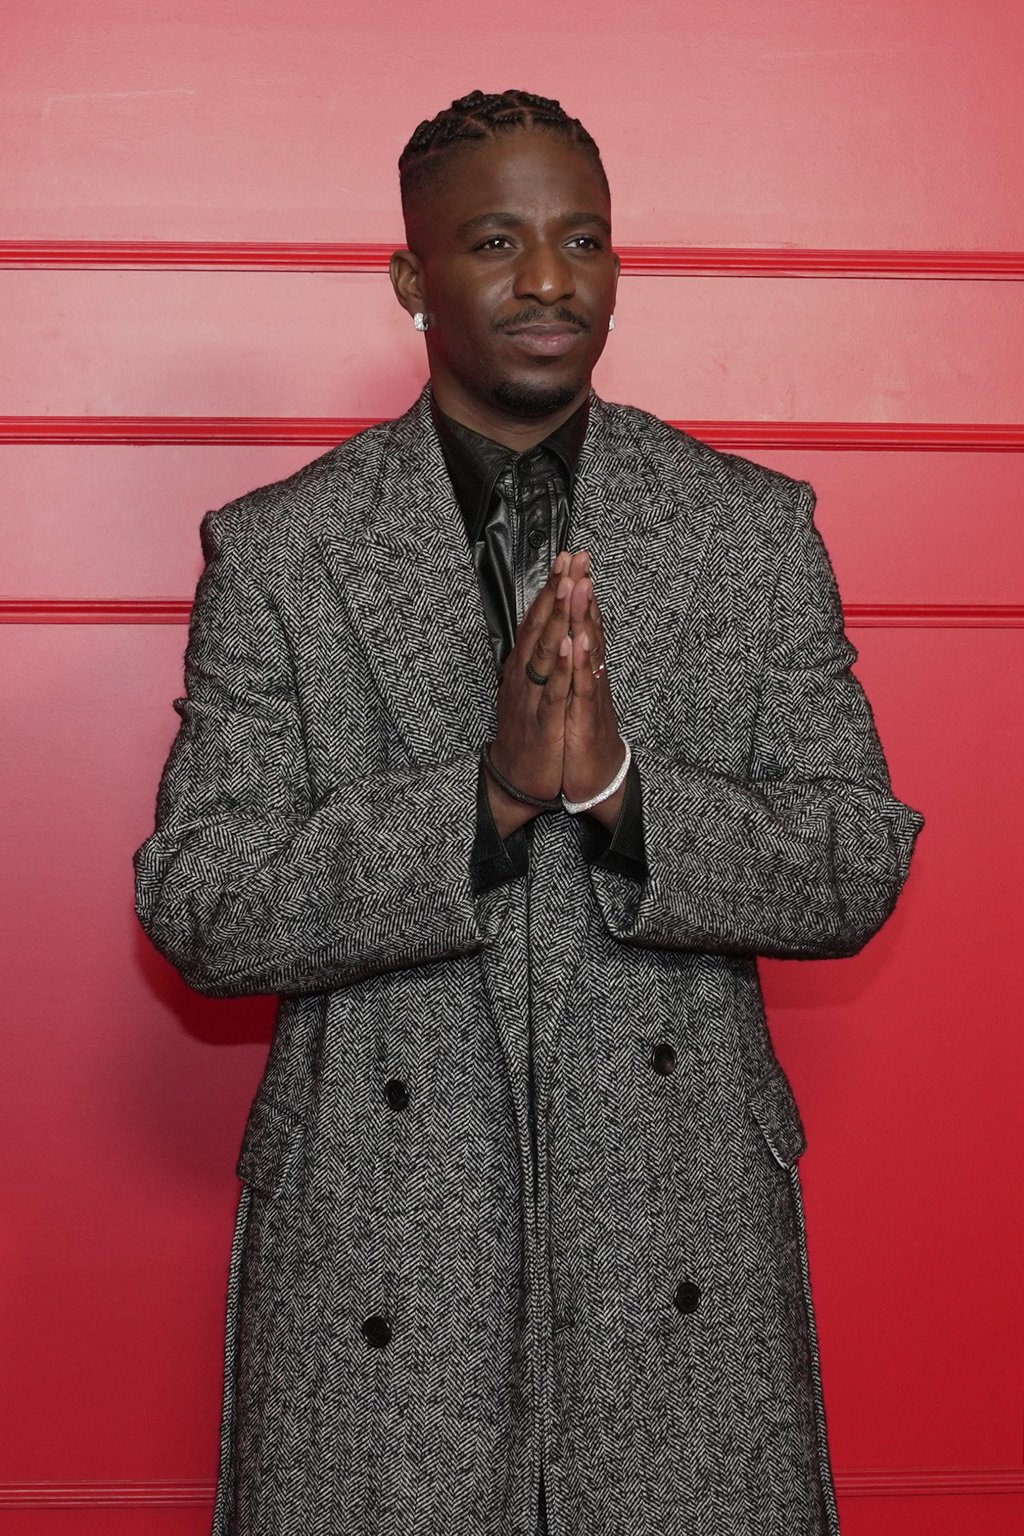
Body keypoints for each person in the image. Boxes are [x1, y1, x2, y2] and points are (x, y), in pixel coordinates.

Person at [134, 88, 923, 1536]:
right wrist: (484, 800)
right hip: (379, 1257)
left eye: (586, 241)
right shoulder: (283, 551)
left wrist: (625, 792)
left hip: (680, 1252)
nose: (551, 279)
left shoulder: (748, 531)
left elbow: (855, 858)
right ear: (411, 276)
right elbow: (202, 899)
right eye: (496, 241)